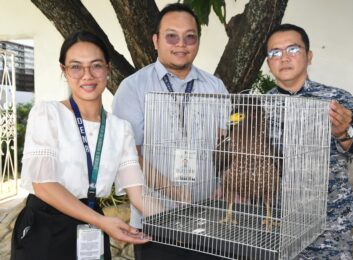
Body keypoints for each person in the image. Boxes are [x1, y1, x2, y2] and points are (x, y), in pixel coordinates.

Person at [11, 31, 153, 260]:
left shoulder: (120, 128)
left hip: (93, 227)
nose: (87, 75)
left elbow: (138, 193)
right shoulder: (48, 114)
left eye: (96, 66)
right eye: (76, 67)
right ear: (64, 71)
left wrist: (178, 223)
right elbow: (44, 185)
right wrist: (100, 221)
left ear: (107, 68)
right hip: (46, 227)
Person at [112, 3, 228, 260]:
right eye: (171, 36)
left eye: (190, 37)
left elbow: (225, 146)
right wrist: (169, 191)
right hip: (155, 222)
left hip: (209, 217)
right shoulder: (133, 88)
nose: (181, 44)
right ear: (156, 40)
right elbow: (129, 155)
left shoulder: (215, 86)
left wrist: (225, 181)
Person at [265, 23, 353, 259]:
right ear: (268, 63)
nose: (283, 58)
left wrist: (343, 134)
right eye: (275, 52)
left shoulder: (337, 99)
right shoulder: (260, 107)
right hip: (275, 224)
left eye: (293, 50)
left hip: (329, 226)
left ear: (309, 56)